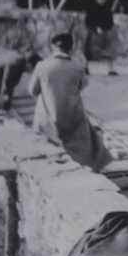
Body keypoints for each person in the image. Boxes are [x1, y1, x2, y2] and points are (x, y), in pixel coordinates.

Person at [29, 33, 112, 171]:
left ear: (52, 47)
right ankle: (87, 166)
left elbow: (32, 91)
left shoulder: (41, 66)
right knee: (91, 135)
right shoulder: (77, 67)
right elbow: (82, 86)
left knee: (42, 110)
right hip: (72, 121)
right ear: (71, 48)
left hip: (47, 123)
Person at [0, 51, 40, 116]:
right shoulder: (15, 63)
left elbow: (11, 85)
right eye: (33, 70)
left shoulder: (20, 63)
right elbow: (6, 85)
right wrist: (6, 106)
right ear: (29, 65)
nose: (32, 72)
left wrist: (7, 104)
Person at [83, 0, 118, 76]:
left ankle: (110, 69)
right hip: (93, 31)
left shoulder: (107, 9)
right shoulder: (91, 8)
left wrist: (105, 28)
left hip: (105, 31)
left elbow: (110, 22)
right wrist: (95, 28)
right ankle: (85, 67)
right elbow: (88, 21)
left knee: (110, 48)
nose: (103, 0)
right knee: (88, 49)